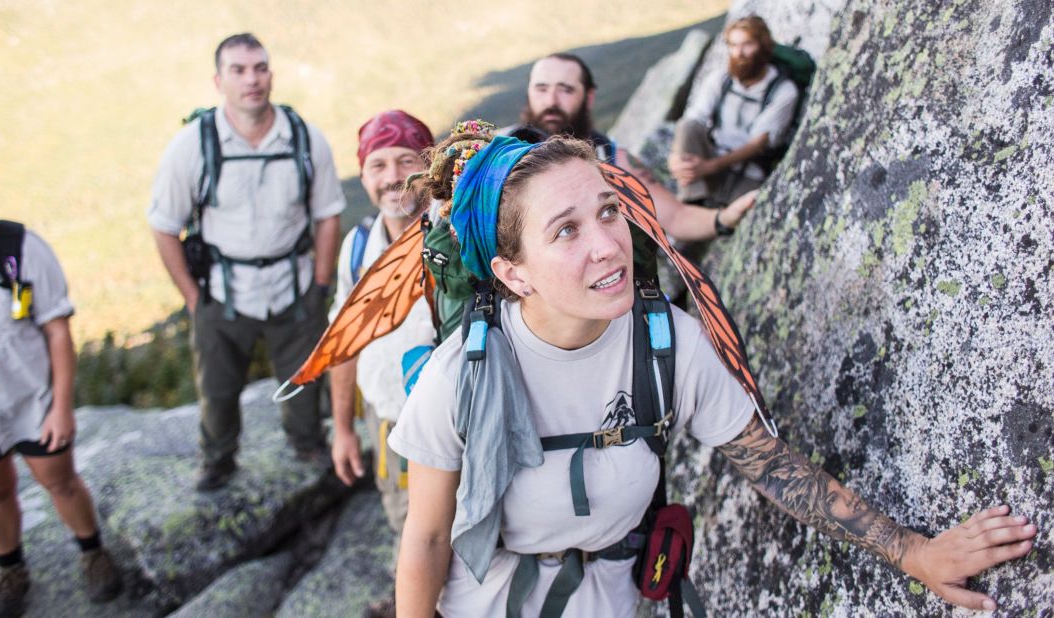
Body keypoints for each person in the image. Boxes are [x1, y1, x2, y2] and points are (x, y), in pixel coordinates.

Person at [386, 132, 1037, 616]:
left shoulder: (667, 344)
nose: (607, 244)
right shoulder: (461, 377)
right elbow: (428, 537)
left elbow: (768, 463)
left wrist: (912, 552)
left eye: (610, 211)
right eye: (566, 231)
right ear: (513, 273)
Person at [149, 33, 346, 491]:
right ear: (219, 81)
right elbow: (163, 226)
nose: (251, 79)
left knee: (304, 379)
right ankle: (217, 459)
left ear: (271, 75)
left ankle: (307, 443)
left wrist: (319, 285)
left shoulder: (304, 138)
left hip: (294, 285)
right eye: (238, 70)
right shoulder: (191, 146)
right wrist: (194, 298)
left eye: (259, 68)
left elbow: (328, 215)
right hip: (222, 290)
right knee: (217, 390)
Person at [0, 147, 123, 617]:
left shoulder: (19, 248)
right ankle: (10, 571)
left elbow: (56, 330)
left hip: (31, 401)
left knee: (61, 481)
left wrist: (61, 407)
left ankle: (93, 553)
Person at [327, 110, 437, 613]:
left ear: (429, 165)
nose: (392, 176)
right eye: (377, 164)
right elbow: (343, 341)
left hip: (457, 420)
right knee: (404, 517)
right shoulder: (356, 248)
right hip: (389, 418)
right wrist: (344, 427)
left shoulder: (457, 236)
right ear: (364, 175)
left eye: (405, 160)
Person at [507, 53, 755, 244]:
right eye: (541, 89)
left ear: (589, 97)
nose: (551, 101)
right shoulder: (499, 154)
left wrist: (725, 218)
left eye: (566, 90)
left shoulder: (612, 158)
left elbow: (676, 217)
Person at [668, 15, 799, 207]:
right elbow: (694, 118)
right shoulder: (721, 79)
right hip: (711, 156)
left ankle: (701, 213)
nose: (740, 53)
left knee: (728, 222)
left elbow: (758, 143)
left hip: (749, 172)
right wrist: (674, 158)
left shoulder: (784, 90)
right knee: (687, 126)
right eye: (733, 45)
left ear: (763, 46)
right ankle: (691, 203)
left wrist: (710, 167)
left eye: (747, 44)